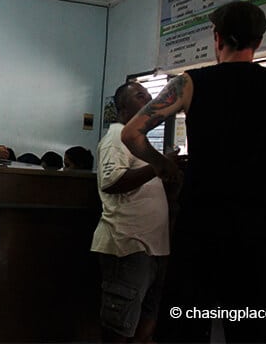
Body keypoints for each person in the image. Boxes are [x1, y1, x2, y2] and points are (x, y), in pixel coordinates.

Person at [121, 1, 266, 342]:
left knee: (184, 329)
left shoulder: (189, 83)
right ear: (258, 42)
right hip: (256, 232)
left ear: (217, 39)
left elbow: (131, 133)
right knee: (250, 329)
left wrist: (163, 165)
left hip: (199, 230)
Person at [91, 81, 171, 342]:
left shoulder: (140, 141)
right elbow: (112, 182)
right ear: (122, 107)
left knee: (147, 318)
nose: (148, 99)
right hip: (128, 246)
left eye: (149, 95)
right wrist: (158, 166)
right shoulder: (117, 137)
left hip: (152, 248)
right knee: (118, 327)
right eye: (140, 95)